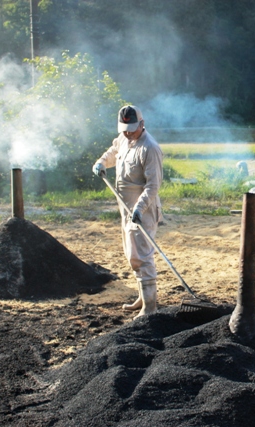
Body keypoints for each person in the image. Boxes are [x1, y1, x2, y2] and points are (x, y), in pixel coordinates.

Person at [92, 105, 163, 319]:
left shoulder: (150, 148)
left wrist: (139, 208)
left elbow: (153, 185)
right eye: (124, 128)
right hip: (126, 208)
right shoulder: (123, 138)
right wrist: (101, 163)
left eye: (131, 128)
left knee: (141, 255)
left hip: (144, 209)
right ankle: (142, 297)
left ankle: (150, 306)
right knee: (131, 255)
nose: (128, 132)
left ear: (142, 124)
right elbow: (113, 152)